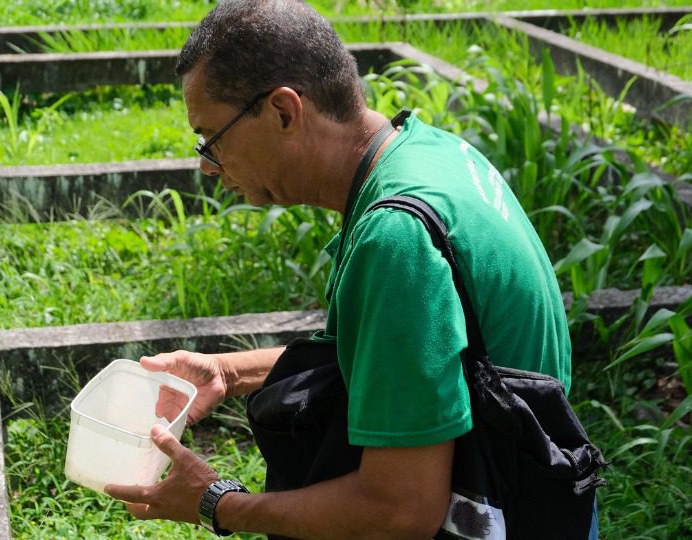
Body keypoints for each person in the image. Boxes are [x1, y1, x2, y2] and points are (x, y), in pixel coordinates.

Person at [105, 1, 586, 538]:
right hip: (544, 494)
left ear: (285, 111)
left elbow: (400, 512)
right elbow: (416, 356)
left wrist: (217, 502)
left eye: (212, 138)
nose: (207, 165)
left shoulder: (396, 238)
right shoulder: (429, 151)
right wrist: (228, 372)